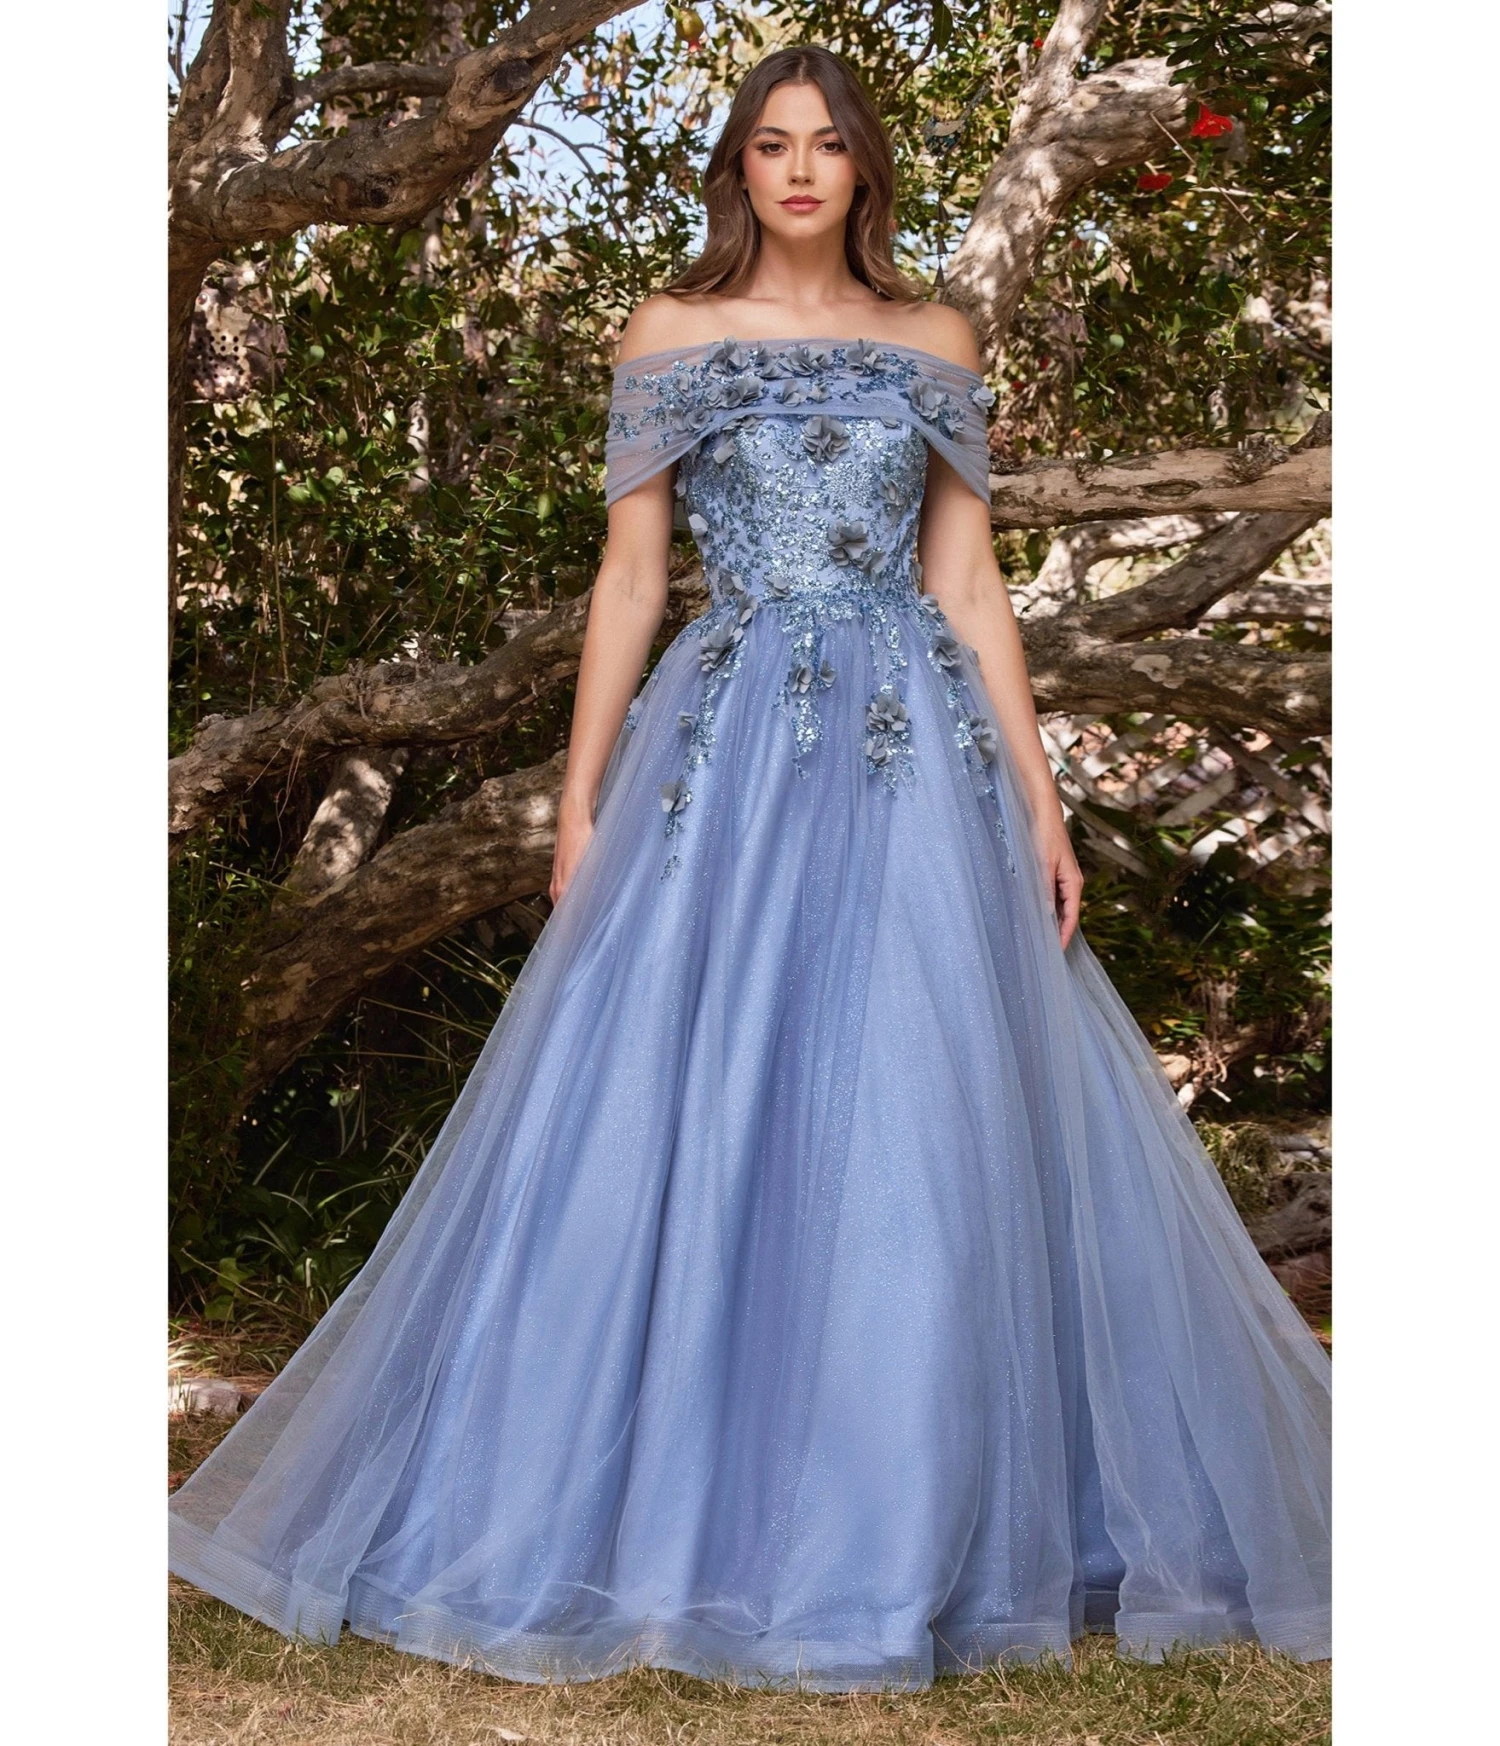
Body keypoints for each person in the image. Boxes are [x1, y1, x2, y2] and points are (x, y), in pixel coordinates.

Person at [169, 46, 1330, 1691]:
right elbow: (632, 580)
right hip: (723, 758)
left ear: (863, 170)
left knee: (918, 1116)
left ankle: (900, 1533)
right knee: (694, 1097)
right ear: (740, 167)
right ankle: (676, 1506)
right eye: (771, 143)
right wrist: (580, 802)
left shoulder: (936, 340)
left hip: (910, 758)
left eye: (826, 144)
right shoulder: (670, 333)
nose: (798, 168)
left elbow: (970, 586)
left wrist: (1042, 798)